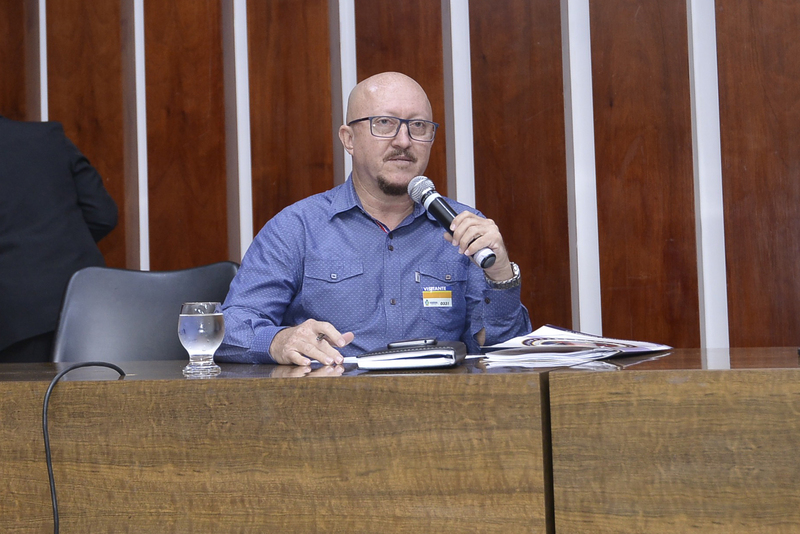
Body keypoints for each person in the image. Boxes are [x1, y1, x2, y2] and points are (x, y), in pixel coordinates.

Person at [220, 72, 531, 366]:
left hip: (438, 399)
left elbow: (504, 353)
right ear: (349, 139)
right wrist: (279, 341)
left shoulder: (463, 227)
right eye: (384, 123)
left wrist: (501, 276)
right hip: (333, 399)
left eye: (418, 126)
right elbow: (228, 329)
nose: (403, 141)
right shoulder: (297, 228)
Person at [0, 116, 118, 363]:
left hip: (14, 319)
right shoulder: (47, 136)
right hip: (86, 302)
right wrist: (55, 248)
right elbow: (103, 214)